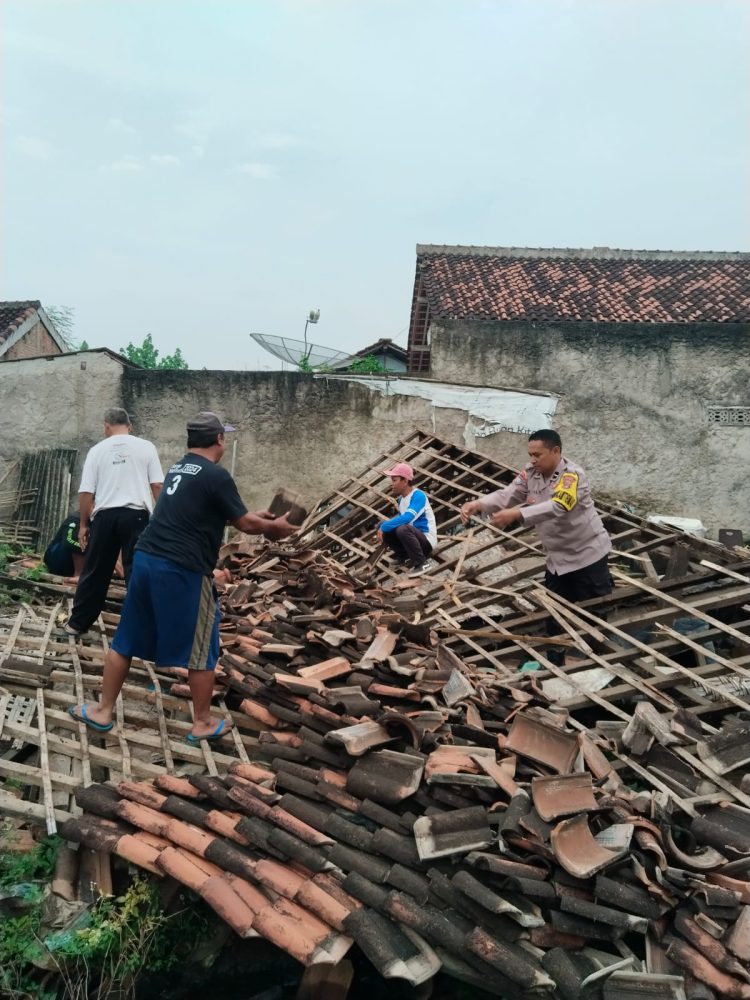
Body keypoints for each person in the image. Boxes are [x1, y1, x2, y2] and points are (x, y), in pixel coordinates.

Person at [68, 411, 296, 744]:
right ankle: (202, 722)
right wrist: (273, 527)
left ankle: (102, 710)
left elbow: (210, 512)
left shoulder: (180, 468)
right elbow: (246, 525)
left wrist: (252, 517)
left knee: (125, 639)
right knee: (202, 644)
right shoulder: (216, 475)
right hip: (181, 568)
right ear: (219, 439)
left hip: (146, 559)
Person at [460, 429, 612, 603]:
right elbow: (507, 495)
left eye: (537, 455)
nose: (533, 459)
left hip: (586, 556)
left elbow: (559, 505)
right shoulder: (531, 474)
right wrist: (478, 504)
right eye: (530, 455)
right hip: (556, 561)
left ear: (555, 451)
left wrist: (517, 513)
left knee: (592, 610)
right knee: (558, 611)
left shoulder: (571, 476)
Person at [64, 408, 163, 637]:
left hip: (105, 518)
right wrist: (162, 518)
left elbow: (86, 492)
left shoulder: (97, 451)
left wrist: (83, 525)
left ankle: (77, 625)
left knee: (95, 571)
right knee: (136, 571)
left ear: (107, 426)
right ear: (130, 426)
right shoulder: (146, 447)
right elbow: (157, 485)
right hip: (137, 517)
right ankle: (144, 629)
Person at [378, 462, 437, 576]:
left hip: (426, 541)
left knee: (401, 528)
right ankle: (403, 555)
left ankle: (422, 563)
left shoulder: (418, 495)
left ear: (405, 481)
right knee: (382, 525)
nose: (392, 484)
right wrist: (383, 526)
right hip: (412, 539)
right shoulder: (401, 500)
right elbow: (400, 521)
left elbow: (408, 518)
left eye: (394, 480)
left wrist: (384, 527)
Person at [43, 513, 85, 579]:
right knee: (77, 545)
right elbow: (70, 542)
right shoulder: (76, 519)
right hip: (58, 560)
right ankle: (78, 574)